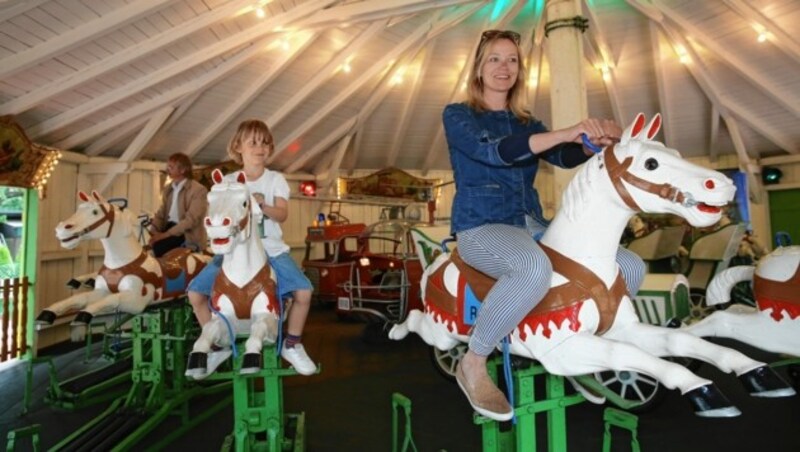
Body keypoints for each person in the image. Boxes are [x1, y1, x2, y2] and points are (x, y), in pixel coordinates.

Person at [443, 29, 645, 421]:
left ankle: (577, 348)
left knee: (630, 266)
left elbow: (565, 156)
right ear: (479, 68)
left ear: (520, 70)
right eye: (495, 59)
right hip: (481, 225)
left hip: (532, 223)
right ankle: (474, 360)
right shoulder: (459, 115)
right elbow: (496, 151)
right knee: (532, 268)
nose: (505, 67)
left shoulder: (526, 122)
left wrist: (591, 145)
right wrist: (570, 131)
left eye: (512, 60)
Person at [186, 119, 316, 376]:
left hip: (271, 249)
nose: (260, 147)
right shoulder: (231, 180)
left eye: (265, 143)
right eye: (253, 142)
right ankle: (218, 346)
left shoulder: (275, 179)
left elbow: (282, 214)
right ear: (238, 147)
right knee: (195, 294)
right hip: (235, 251)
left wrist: (261, 205)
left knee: (304, 291)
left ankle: (292, 343)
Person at [149, 152, 208, 257]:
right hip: (169, 228)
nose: (167, 169)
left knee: (159, 247)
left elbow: (191, 220)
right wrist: (153, 228)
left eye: (171, 167)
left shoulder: (198, 190)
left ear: (182, 170)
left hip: (186, 234)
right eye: (168, 166)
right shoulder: (169, 188)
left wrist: (164, 235)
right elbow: (162, 212)